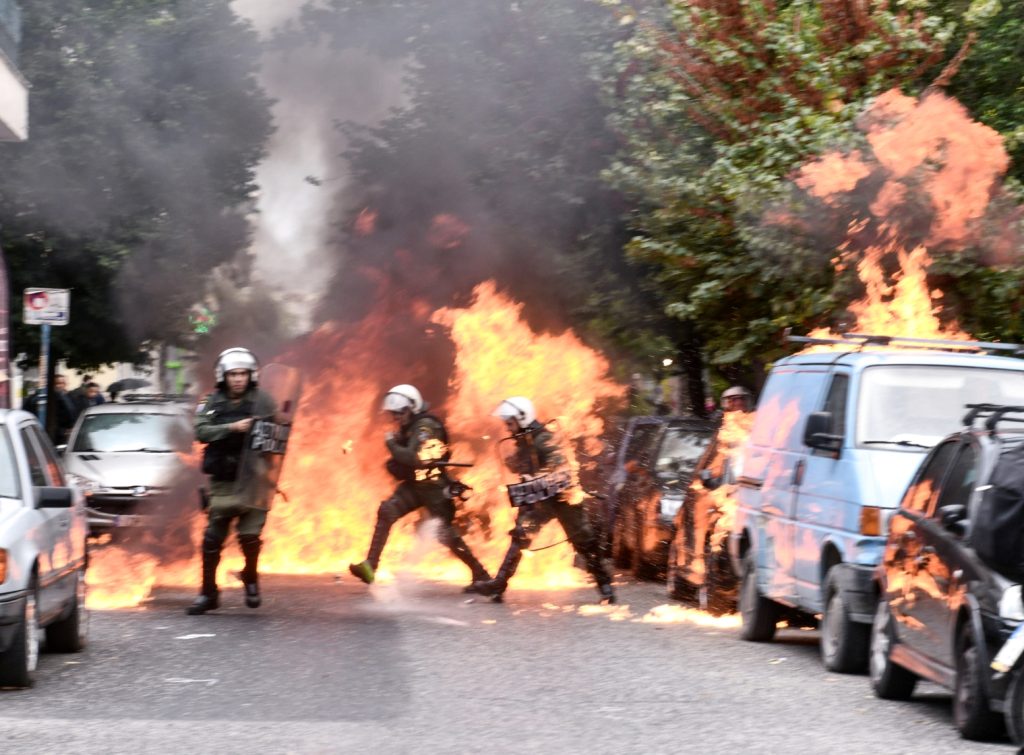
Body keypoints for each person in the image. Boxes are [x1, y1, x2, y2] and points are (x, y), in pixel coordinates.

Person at [471, 397, 615, 604]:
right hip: (539, 500)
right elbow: (525, 465)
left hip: (562, 498)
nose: (507, 428)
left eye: (510, 423)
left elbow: (557, 464)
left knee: (584, 542)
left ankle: (605, 587)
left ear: (522, 418)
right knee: (521, 536)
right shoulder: (525, 440)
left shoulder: (543, 438)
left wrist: (537, 477)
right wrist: (516, 464)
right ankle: (499, 585)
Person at [348, 384, 490, 589]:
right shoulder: (413, 427)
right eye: (394, 415)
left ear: (411, 408)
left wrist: (392, 444)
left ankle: (480, 574)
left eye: (399, 414)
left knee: (444, 533)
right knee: (387, 511)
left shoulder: (425, 428)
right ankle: (370, 566)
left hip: (433, 486)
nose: (396, 419)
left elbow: (416, 458)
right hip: (416, 484)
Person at [187, 347, 277, 615]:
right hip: (224, 479)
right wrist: (231, 428)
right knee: (212, 538)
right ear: (223, 376)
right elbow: (200, 430)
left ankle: (250, 577)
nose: (238, 379)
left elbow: (278, 435)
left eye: (243, 374)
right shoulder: (211, 402)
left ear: (251, 376)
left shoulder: (264, 401)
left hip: (254, 479)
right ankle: (208, 593)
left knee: (250, 537)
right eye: (233, 374)